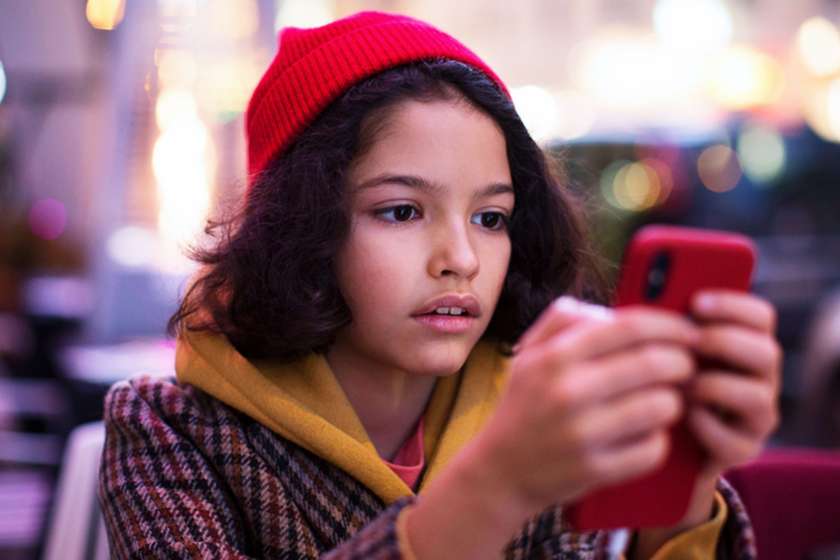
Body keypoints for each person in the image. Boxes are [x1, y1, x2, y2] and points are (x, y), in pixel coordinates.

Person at [98, 11, 780, 559]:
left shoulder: (546, 402)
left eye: (491, 217)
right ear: (300, 226)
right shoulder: (169, 427)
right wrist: (494, 485)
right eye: (401, 211)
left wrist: (678, 495)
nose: (461, 258)